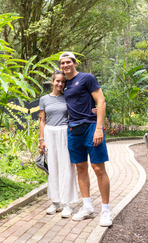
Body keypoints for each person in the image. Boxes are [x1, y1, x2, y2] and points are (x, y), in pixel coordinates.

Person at [59, 52, 112, 227]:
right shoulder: (63, 84)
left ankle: (105, 211)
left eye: (68, 62)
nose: (65, 65)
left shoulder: (86, 78)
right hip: (73, 130)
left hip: (90, 127)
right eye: (62, 63)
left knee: (98, 168)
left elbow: (101, 101)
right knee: (81, 168)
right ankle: (87, 207)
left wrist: (99, 128)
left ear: (75, 63)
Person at [39, 70, 79, 218]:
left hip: (64, 133)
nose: (60, 84)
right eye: (57, 81)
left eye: (63, 81)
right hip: (49, 133)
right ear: (52, 82)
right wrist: (41, 140)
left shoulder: (67, 98)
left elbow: (75, 114)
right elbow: (42, 121)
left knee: (66, 168)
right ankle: (55, 202)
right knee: (53, 168)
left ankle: (67, 203)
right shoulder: (44, 99)